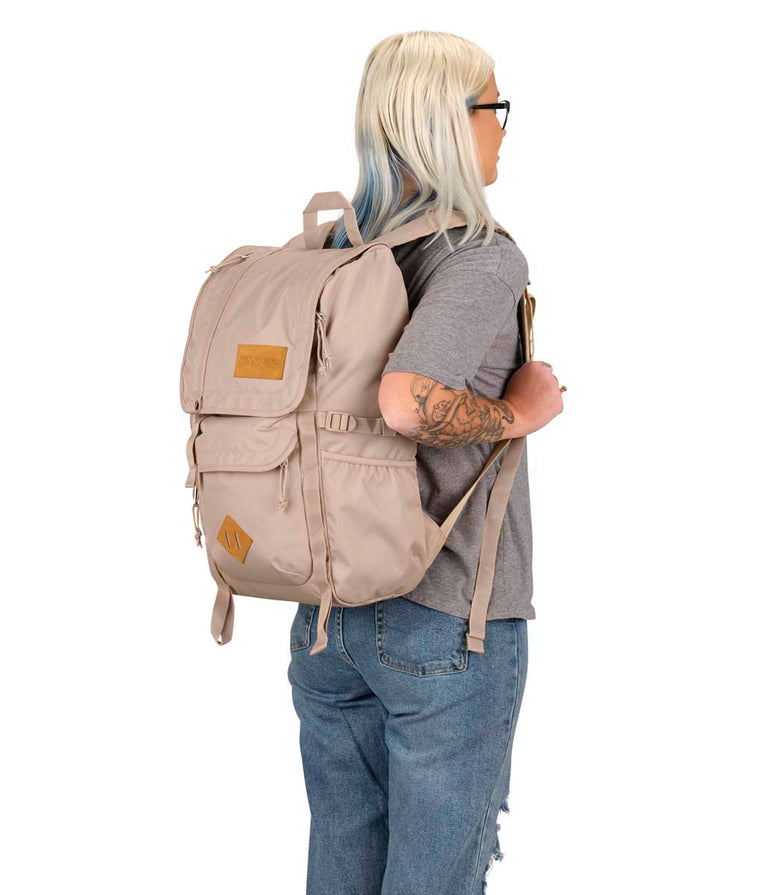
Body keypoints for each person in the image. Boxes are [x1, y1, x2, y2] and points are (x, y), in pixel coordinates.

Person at [287, 30, 564, 895]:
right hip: (444, 622)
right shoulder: (478, 255)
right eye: (493, 107)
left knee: (342, 867)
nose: (502, 127)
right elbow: (405, 400)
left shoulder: (334, 250)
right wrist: (519, 412)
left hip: (327, 619)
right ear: (447, 121)